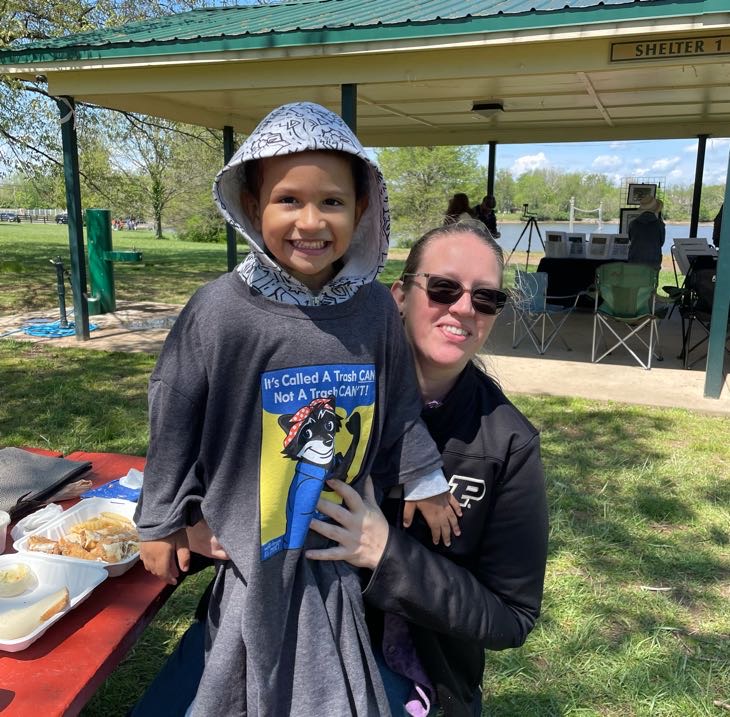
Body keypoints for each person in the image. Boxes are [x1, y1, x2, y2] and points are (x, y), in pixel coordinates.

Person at [133, 101, 458, 717]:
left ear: (361, 209)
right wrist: (161, 521)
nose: (311, 221)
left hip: (334, 543)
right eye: (288, 200)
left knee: (328, 676)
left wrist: (424, 477)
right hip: (247, 546)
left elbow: (398, 404)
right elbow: (173, 412)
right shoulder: (220, 311)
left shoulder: (373, 310)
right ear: (252, 206)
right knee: (241, 672)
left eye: (332, 201)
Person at [307, 222, 550, 717]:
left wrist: (385, 554)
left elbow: (512, 616)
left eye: (486, 298)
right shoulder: (322, 387)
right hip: (288, 626)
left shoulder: (507, 444)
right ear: (399, 295)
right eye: (443, 288)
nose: (464, 308)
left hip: (417, 667)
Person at [627, 196, 665, 270]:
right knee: (651, 277)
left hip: (634, 260)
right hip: (653, 261)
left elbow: (631, 239)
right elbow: (661, 243)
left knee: (633, 277)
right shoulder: (660, 225)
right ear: (655, 209)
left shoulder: (633, 223)